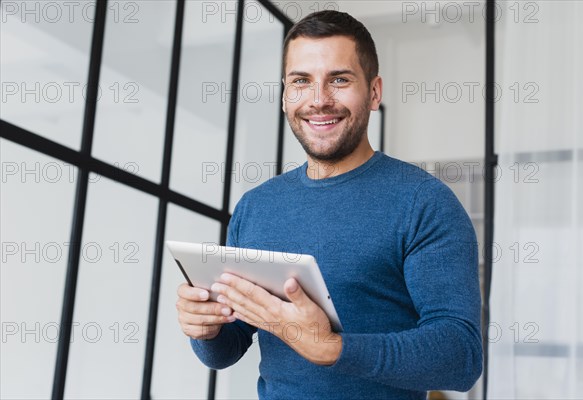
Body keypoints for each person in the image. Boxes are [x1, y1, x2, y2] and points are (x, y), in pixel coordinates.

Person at [176, 10, 482, 399]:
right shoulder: (256, 207)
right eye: (301, 81)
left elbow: (460, 356)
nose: (319, 100)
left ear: (374, 92)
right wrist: (206, 328)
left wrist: (329, 347)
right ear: (285, 95)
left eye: (339, 79)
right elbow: (228, 348)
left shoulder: (424, 203)